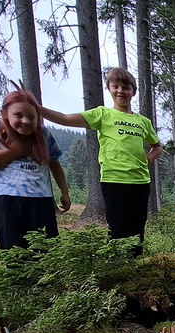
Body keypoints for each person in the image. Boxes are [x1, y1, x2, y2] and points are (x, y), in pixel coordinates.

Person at [39, 68, 163, 252]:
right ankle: (115, 268)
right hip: (114, 180)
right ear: (110, 89)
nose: (121, 91)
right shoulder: (102, 114)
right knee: (118, 228)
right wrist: (37, 108)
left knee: (137, 228)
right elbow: (65, 118)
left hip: (140, 181)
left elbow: (157, 147)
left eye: (126, 87)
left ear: (133, 91)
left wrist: (147, 159)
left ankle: (136, 269)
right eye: (116, 86)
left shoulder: (143, 122)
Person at [0, 88, 70, 250]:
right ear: (5, 113)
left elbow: (55, 164)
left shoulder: (43, 134)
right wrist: (13, 152)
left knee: (47, 250)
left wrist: (64, 192)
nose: (25, 121)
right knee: (14, 249)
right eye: (18, 115)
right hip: (8, 199)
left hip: (42, 199)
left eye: (31, 117)